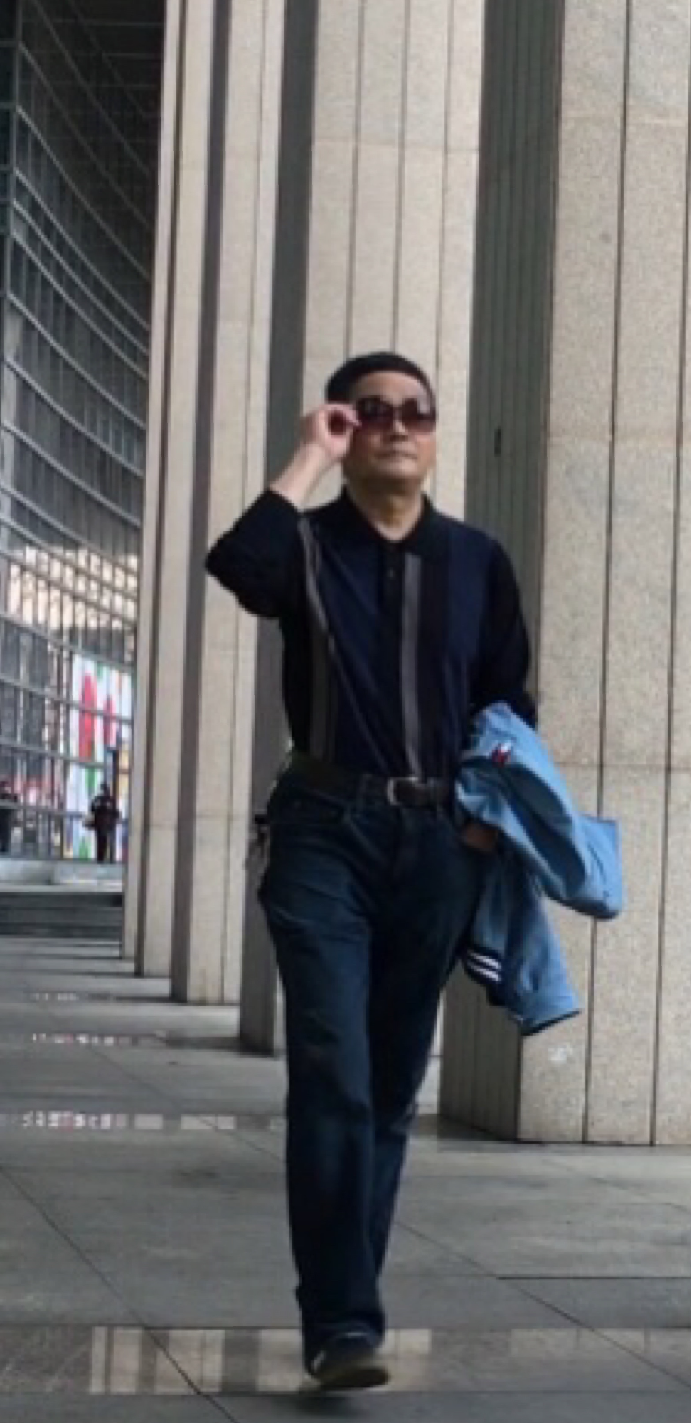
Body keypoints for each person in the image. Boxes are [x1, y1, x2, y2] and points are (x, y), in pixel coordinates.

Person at [206, 351, 535, 1391]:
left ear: (434, 433)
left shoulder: (476, 561)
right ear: (346, 428)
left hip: (438, 842)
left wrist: (479, 834)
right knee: (333, 1070)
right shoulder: (305, 547)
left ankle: (346, 1311)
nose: (396, 425)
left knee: (389, 1088)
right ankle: (343, 1321)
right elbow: (237, 566)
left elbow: (508, 704)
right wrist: (307, 457)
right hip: (322, 832)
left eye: (415, 412)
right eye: (370, 411)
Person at [89, 782, 119, 864]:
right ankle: (101, 859)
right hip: (104, 824)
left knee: (101, 841)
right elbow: (92, 809)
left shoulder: (102, 799)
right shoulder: (106, 799)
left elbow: (92, 809)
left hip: (102, 824)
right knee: (103, 841)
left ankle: (101, 859)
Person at [0, 778, 18, 854]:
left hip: (7, 817)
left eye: (5, 786)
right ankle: (4, 847)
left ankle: (5, 847)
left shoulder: (12, 796)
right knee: (5, 832)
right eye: (2, 786)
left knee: (6, 833)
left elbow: (15, 805)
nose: (4, 788)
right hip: (4, 817)